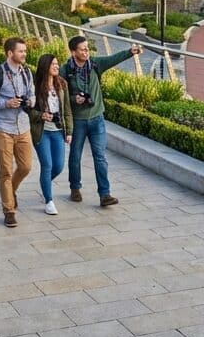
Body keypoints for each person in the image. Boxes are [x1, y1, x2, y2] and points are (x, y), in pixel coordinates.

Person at [61, 36, 142, 206]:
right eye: (82, 49)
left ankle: (105, 194)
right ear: (73, 51)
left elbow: (113, 59)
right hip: (77, 121)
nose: (86, 52)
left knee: (100, 156)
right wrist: (75, 99)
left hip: (97, 118)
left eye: (87, 48)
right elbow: (60, 96)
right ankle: (75, 187)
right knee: (75, 156)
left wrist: (130, 52)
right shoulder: (66, 70)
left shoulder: (96, 64)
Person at [0, 37, 36, 227]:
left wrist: (30, 102)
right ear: (10, 53)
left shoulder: (27, 72)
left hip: (23, 126)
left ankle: (10, 190)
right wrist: (6, 103)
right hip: (2, 128)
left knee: (26, 166)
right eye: (21, 51)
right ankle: (9, 210)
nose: (24, 54)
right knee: (5, 170)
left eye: (25, 51)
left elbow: (33, 95)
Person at [29, 54, 73, 215]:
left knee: (59, 166)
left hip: (58, 131)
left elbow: (67, 110)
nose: (57, 66)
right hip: (41, 132)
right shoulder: (34, 86)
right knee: (47, 165)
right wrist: (41, 115)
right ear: (45, 66)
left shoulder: (62, 84)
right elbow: (28, 111)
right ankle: (49, 200)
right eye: (53, 64)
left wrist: (69, 131)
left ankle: (44, 184)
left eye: (57, 63)